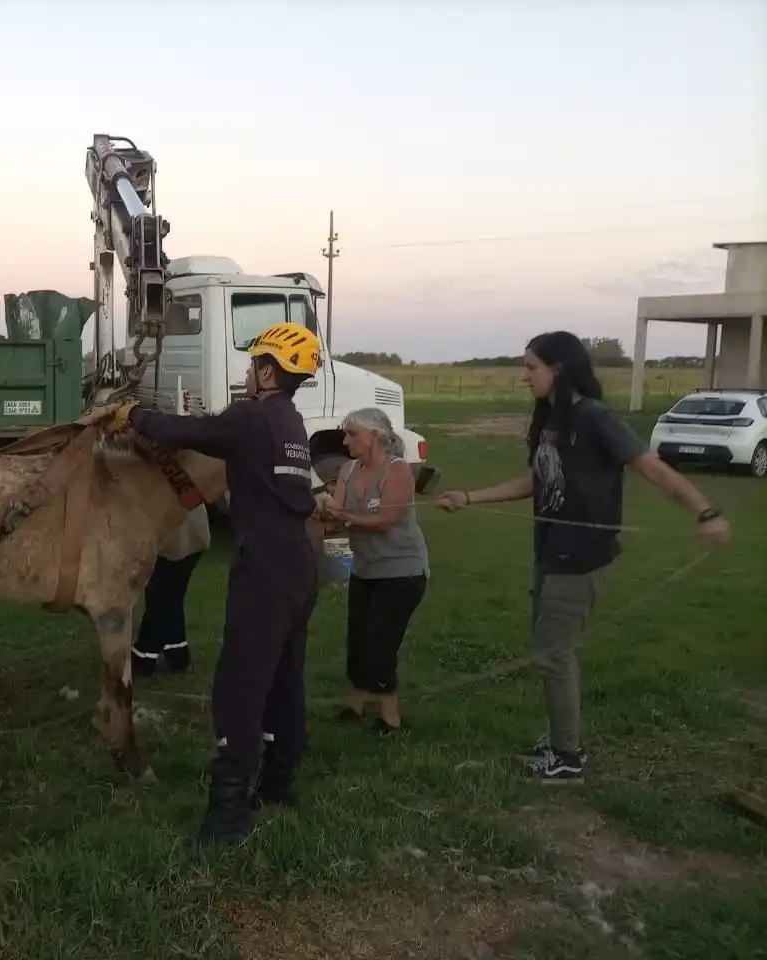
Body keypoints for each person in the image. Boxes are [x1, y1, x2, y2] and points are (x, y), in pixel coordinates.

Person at [436, 331, 731, 785]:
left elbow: (651, 467)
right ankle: (560, 740)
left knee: (552, 654)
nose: (524, 376)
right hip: (551, 549)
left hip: (581, 556)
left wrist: (706, 512)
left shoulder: (594, 417)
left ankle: (567, 756)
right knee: (549, 651)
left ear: (557, 368)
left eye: (531, 367)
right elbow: (536, 481)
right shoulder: (549, 419)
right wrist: (469, 497)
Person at [106, 321, 322, 846]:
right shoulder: (291, 421)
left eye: (253, 365)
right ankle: (278, 782)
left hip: (264, 567)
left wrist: (131, 414)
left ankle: (228, 816)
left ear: (268, 372)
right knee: (284, 676)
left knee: (239, 686)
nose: (248, 374)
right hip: (299, 564)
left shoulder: (252, 417)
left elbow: (187, 432)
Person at [316, 406, 429, 735]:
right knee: (358, 639)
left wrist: (343, 517)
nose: (345, 441)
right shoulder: (348, 470)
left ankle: (391, 720)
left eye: (352, 434)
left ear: (374, 437)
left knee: (379, 642)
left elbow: (384, 522)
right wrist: (324, 513)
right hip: (365, 570)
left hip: (402, 572)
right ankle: (354, 707)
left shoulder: (398, 471)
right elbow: (336, 518)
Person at [132, 503, 210, 678]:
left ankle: (144, 655)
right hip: (190, 532)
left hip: (175, 537)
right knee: (171, 595)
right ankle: (177, 651)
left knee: (161, 596)